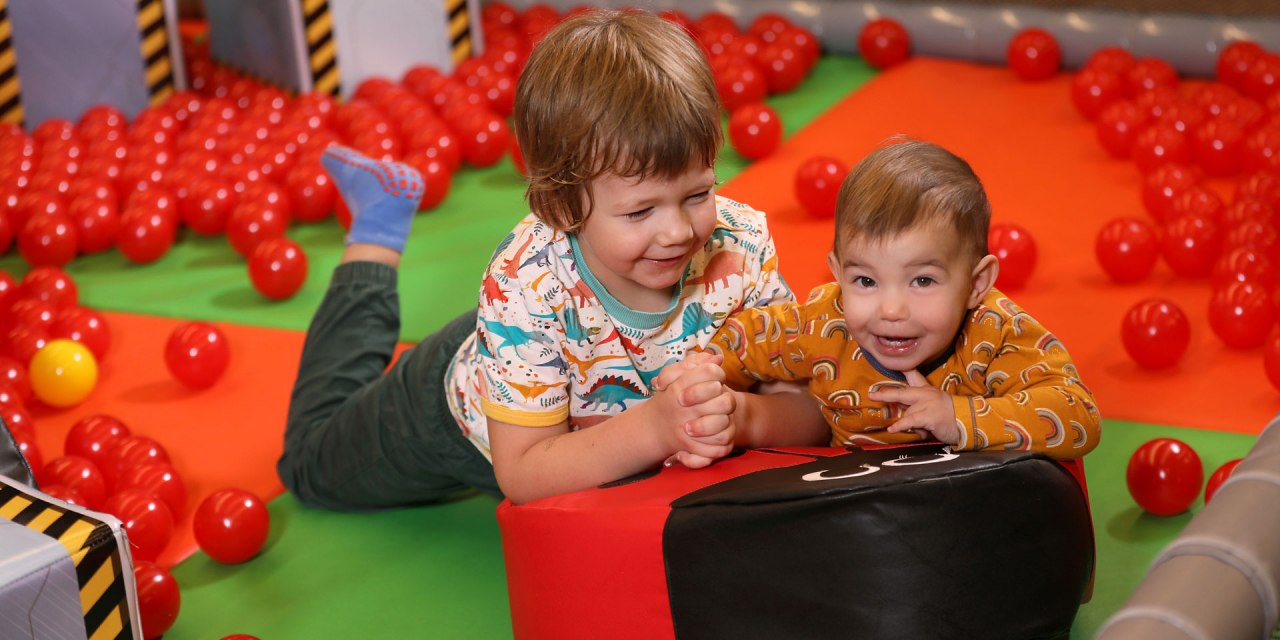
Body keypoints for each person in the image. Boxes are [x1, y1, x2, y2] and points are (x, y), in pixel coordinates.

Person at [277, 9, 830, 510]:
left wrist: (743, 418)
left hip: (557, 348)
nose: (679, 232)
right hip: (472, 408)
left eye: (698, 193)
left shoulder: (739, 247)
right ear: (562, 208)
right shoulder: (523, 286)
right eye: (640, 211)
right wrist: (657, 430)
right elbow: (522, 473)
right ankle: (375, 234)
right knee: (308, 464)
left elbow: (812, 408)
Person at [699, 138, 1101, 458]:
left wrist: (958, 416)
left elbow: (1078, 414)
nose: (891, 310)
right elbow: (744, 338)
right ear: (838, 272)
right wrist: (700, 377)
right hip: (855, 506)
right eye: (865, 281)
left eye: (922, 281)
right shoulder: (822, 324)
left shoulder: (994, 333)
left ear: (976, 283)